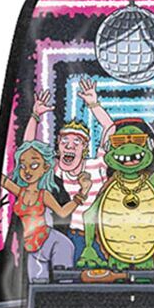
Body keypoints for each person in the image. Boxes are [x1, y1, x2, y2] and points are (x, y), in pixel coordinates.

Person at [22, 77, 112, 260]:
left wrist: (94, 105)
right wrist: (35, 116)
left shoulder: (97, 164)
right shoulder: (57, 171)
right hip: (74, 236)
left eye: (76, 142)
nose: (69, 146)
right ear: (58, 147)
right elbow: (28, 149)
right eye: (64, 141)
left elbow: (109, 128)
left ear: (84, 148)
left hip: (102, 236)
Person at [0, 141, 80, 281]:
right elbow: (3, 180)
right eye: (23, 166)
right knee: (37, 285)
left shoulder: (44, 195)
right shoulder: (21, 192)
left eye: (34, 165)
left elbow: (62, 212)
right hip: (32, 245)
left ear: (46, 167)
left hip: (53, 241)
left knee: (63, 280)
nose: (27, 171)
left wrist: (80, 197)